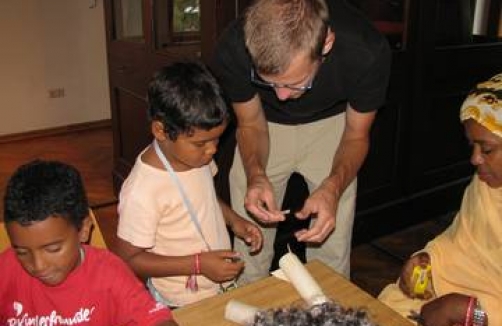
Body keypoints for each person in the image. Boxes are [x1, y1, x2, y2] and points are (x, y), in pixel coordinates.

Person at [211, 0, 392, 283]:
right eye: (269, 82)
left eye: (295, 83)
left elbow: (356, 135)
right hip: (263, 125)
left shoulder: (366, 51)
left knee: (331, 239)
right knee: (249, 244)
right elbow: (249, 123)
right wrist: (256, 174)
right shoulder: (233, 47)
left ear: (326, 44)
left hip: (334, 125)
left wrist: (332, 187)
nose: (281, 96)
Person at [115, 62, 263, 307]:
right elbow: (128, 259)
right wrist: (197, 265)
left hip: (215, 287)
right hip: (179, 301)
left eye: (217, 139)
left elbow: (204, 198)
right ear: (161, 131)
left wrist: (234, 220)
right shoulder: (142, 190)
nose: (213, 150)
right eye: (201, 143)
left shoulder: (194, 157)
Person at [378, 72, 502, 326]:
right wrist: (428, 259)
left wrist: (469, 312)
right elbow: (461, 241)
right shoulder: (484, 185)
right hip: (466, 291)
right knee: (390, 303)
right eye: (472, 147)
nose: (475, 159)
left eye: (487, 149)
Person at [0, 160, 177, 326]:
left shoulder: (109, 274)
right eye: (22, 251)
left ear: (84, 229)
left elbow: (156, 319)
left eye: (53, 249)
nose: (38, 266)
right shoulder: (6, 268)